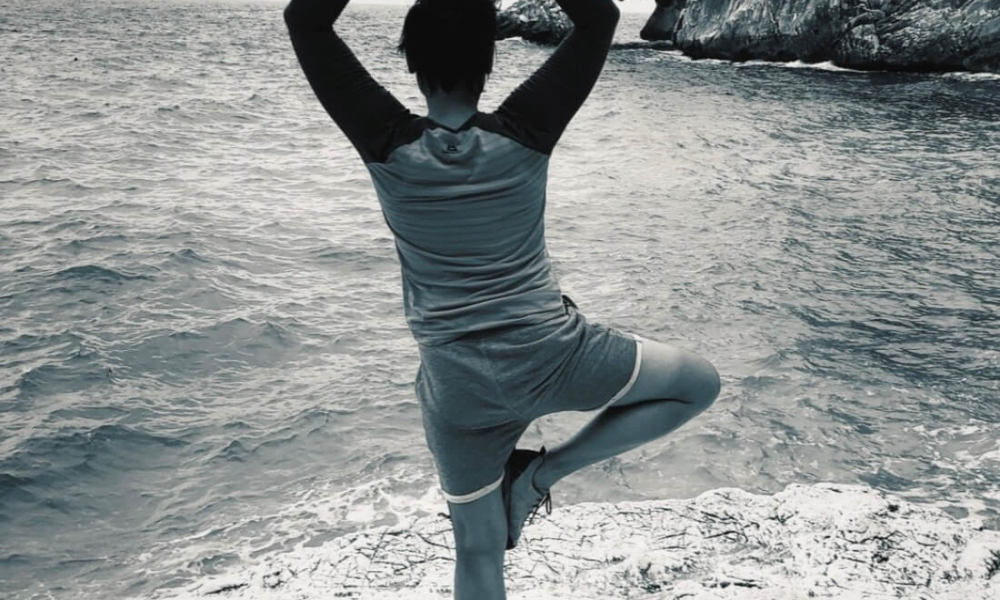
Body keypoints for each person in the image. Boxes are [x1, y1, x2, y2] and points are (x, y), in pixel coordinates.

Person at [283, 0, 721, 597]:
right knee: (699, 383)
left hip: (458, 385)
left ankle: (527, 479)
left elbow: (305, 20)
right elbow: (599, 19)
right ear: (490, 59)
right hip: (555, 355)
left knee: (479, 552)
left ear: (410, 60)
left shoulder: (385, 141)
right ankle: (541, 473)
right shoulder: (526, 130)